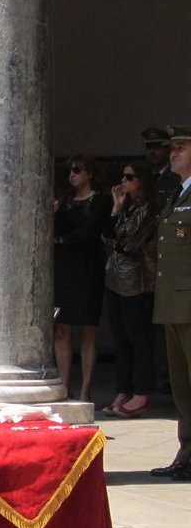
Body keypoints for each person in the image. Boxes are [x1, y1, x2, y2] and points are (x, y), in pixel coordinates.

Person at [102, 164, 160, 418]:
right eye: (121, 176)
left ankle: (141, 392)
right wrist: (115, 209)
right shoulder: (125, 208)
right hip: (115, 280)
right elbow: (106, 236)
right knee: (121, 340)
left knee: (140, 340)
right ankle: (123, 390)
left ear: (141, 181)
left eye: (129, 177)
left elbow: (129, 245)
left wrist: (114, 237)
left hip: (138, 284)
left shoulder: (150, 209)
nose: (123, 181)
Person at [54, 155, 112, 401]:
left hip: (89, 268)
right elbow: (55, 231)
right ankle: (64, 386)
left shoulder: (101, 200)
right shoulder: (64, 202)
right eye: (69, 171)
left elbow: (90, 232)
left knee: (88, 329)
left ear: (90, 173)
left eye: (77, 170)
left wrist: (62, 240)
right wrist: (54, 214)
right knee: (62, 328)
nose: (72, 175)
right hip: (64, 268)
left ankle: (86, 388)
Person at [151, 125, 191, 482]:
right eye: (172, 148)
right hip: (175, 306)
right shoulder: (178, 193)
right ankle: (187, 453)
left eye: (181, 147)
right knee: (182, 387)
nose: (173, 153)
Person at [143, 126, 180, 207]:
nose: (152, 152)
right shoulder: (142, 175)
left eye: (157, 147)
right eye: (149, 147)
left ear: (167, 149)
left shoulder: (176, 175)